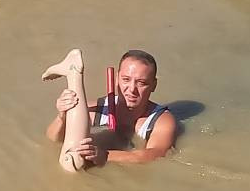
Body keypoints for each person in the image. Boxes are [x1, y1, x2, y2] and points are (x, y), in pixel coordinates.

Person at [43, 49, 177, 172]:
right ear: (117, 79)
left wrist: (105, 155)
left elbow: (153, 155)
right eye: (126, 80)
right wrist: (62, 116)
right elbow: (53, 139)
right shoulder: (96, 109)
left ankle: (73, 73)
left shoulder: (162, 120)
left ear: (154, 85)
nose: (132, 89)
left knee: (73, 162)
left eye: (141, 83)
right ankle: (73, 74)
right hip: (93, 156)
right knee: (72, 160)